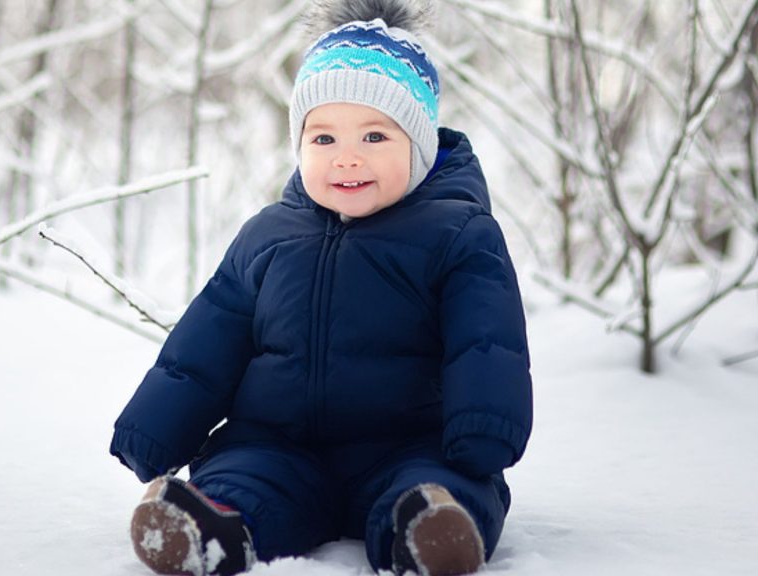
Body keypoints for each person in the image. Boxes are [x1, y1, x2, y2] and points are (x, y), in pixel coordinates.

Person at [109, 1, 533, 574]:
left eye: (376, 136)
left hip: (410, 444)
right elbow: (207, 342)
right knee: (242, 475)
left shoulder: (456, 233)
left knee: (442, 484)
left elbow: (486, 341)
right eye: (324, 138)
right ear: (300, 144)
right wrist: (154, 430)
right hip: (279, 444)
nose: (348, 156)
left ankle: (426, 531)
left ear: (419, 146)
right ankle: (211, 529)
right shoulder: (267, 235)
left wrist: (484, 433)